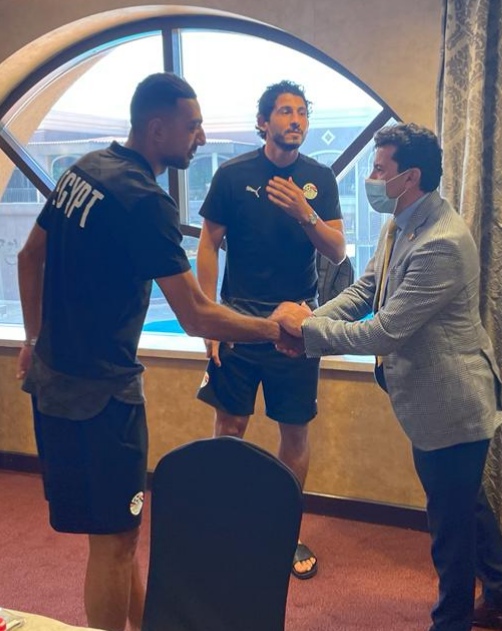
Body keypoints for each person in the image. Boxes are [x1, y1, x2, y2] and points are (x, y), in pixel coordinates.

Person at [16, 72, 287, 631]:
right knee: (115, 544)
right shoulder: (145, 200)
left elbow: (28, 256)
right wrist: (276, 329)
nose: (202, 138)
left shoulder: (85, 169)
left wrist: (34, 340)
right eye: (193, 127)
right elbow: (196, 315)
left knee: (116, 534)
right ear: (157, 128)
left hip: (52, 381)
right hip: (102, 397)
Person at [271, 123, 502, 630]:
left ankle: (451, 621)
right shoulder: (401, 223)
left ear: (409, 177)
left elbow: (386, 330)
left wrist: (307, 332)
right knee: (465, 504)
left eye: (379, 169)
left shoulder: (441, 242)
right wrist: (312, 319)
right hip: (431, 400)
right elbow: (366, 291)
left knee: (450, 527)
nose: (372, 178)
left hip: (453, 404)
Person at [196, 80, 346, 579]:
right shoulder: (232, 174)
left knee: (294, 432)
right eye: (284, 111)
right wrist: (208, 318)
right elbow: (208, 244)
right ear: (263, 122)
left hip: (296, 327)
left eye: (302, 112)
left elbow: (337, 250)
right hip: (239, 322)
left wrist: (305, 213)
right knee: (229, 428)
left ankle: (283, 531)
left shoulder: (319, 178)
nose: (295, 119)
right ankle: (224, 528)